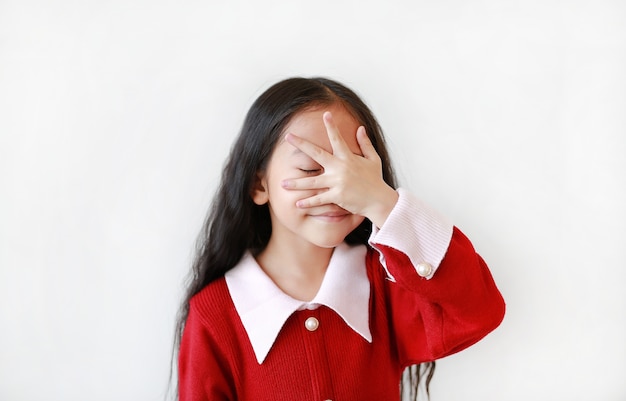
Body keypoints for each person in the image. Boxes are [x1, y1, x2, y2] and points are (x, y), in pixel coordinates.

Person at [173, 77, 505, 401]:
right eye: (309, 170)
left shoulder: (386, 284)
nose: (337, 191)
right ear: (259, 184)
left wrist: (383, 203)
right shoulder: (215, 314)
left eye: (353, 173)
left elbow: (479, 310)